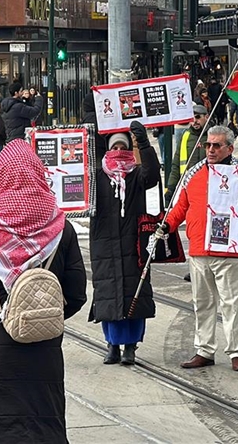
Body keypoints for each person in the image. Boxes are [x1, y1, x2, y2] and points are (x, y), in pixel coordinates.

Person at [0, 139, 87, 444]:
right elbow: (77, 293)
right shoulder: (61, 227)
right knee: (41, 425)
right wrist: (42, 314)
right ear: (38, 172)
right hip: (44, 347)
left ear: (3, 176)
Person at [160, 126, 238, 372]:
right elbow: (181, 206)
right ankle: (204, 350)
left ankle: (236, 352)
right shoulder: (194, 174)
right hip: (199, 250)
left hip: (231, 252)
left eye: (216, 145)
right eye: (208, 145)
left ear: (229, 148)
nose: (211, 149)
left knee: (232, 304)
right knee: (202, 303)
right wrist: (167, 224)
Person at [89, 123, 160, 365]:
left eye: (123, 146)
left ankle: (131, 346)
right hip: (104, 244)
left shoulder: (136, 174)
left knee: (135, 294)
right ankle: (112, 345)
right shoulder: (97, 177)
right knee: (108, 293)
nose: (118, 150)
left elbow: (153, 175)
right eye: (114, 146)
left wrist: (145, 143)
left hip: (133, 242)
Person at [166, 104, 209, 204]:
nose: (194, 121)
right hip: (189, 184)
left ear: (206, 117)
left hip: (208, 185)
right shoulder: (186, 136)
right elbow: (176, 164)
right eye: (192, 118)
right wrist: (171, 188)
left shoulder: (212, 135)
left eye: (198, 117)